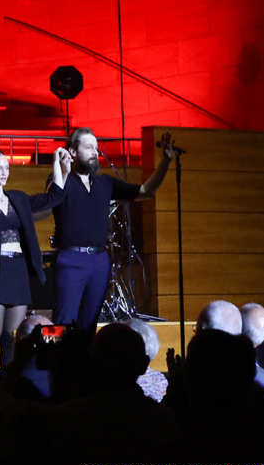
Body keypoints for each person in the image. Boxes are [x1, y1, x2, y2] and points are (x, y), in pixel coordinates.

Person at [51, 127, 177, 330]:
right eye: (89, 147)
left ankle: (85, 352)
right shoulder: (62, 179)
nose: (95, 152)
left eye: (96, 148)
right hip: (71, 259)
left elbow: (146, 191)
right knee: (62, 324)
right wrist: (62, 169)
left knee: (88, 326)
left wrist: (165, 162)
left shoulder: (105, 182)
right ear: (73, 152)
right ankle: (55, 351)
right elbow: (52, 195)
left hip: (99, 260)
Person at [0, 146, 69, 371]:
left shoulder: (18, 198)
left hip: (17, 271)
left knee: (9, 339)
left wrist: (57, 165)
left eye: (7, 168)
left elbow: (55, 197)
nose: (4, 172)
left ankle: (8, 384)